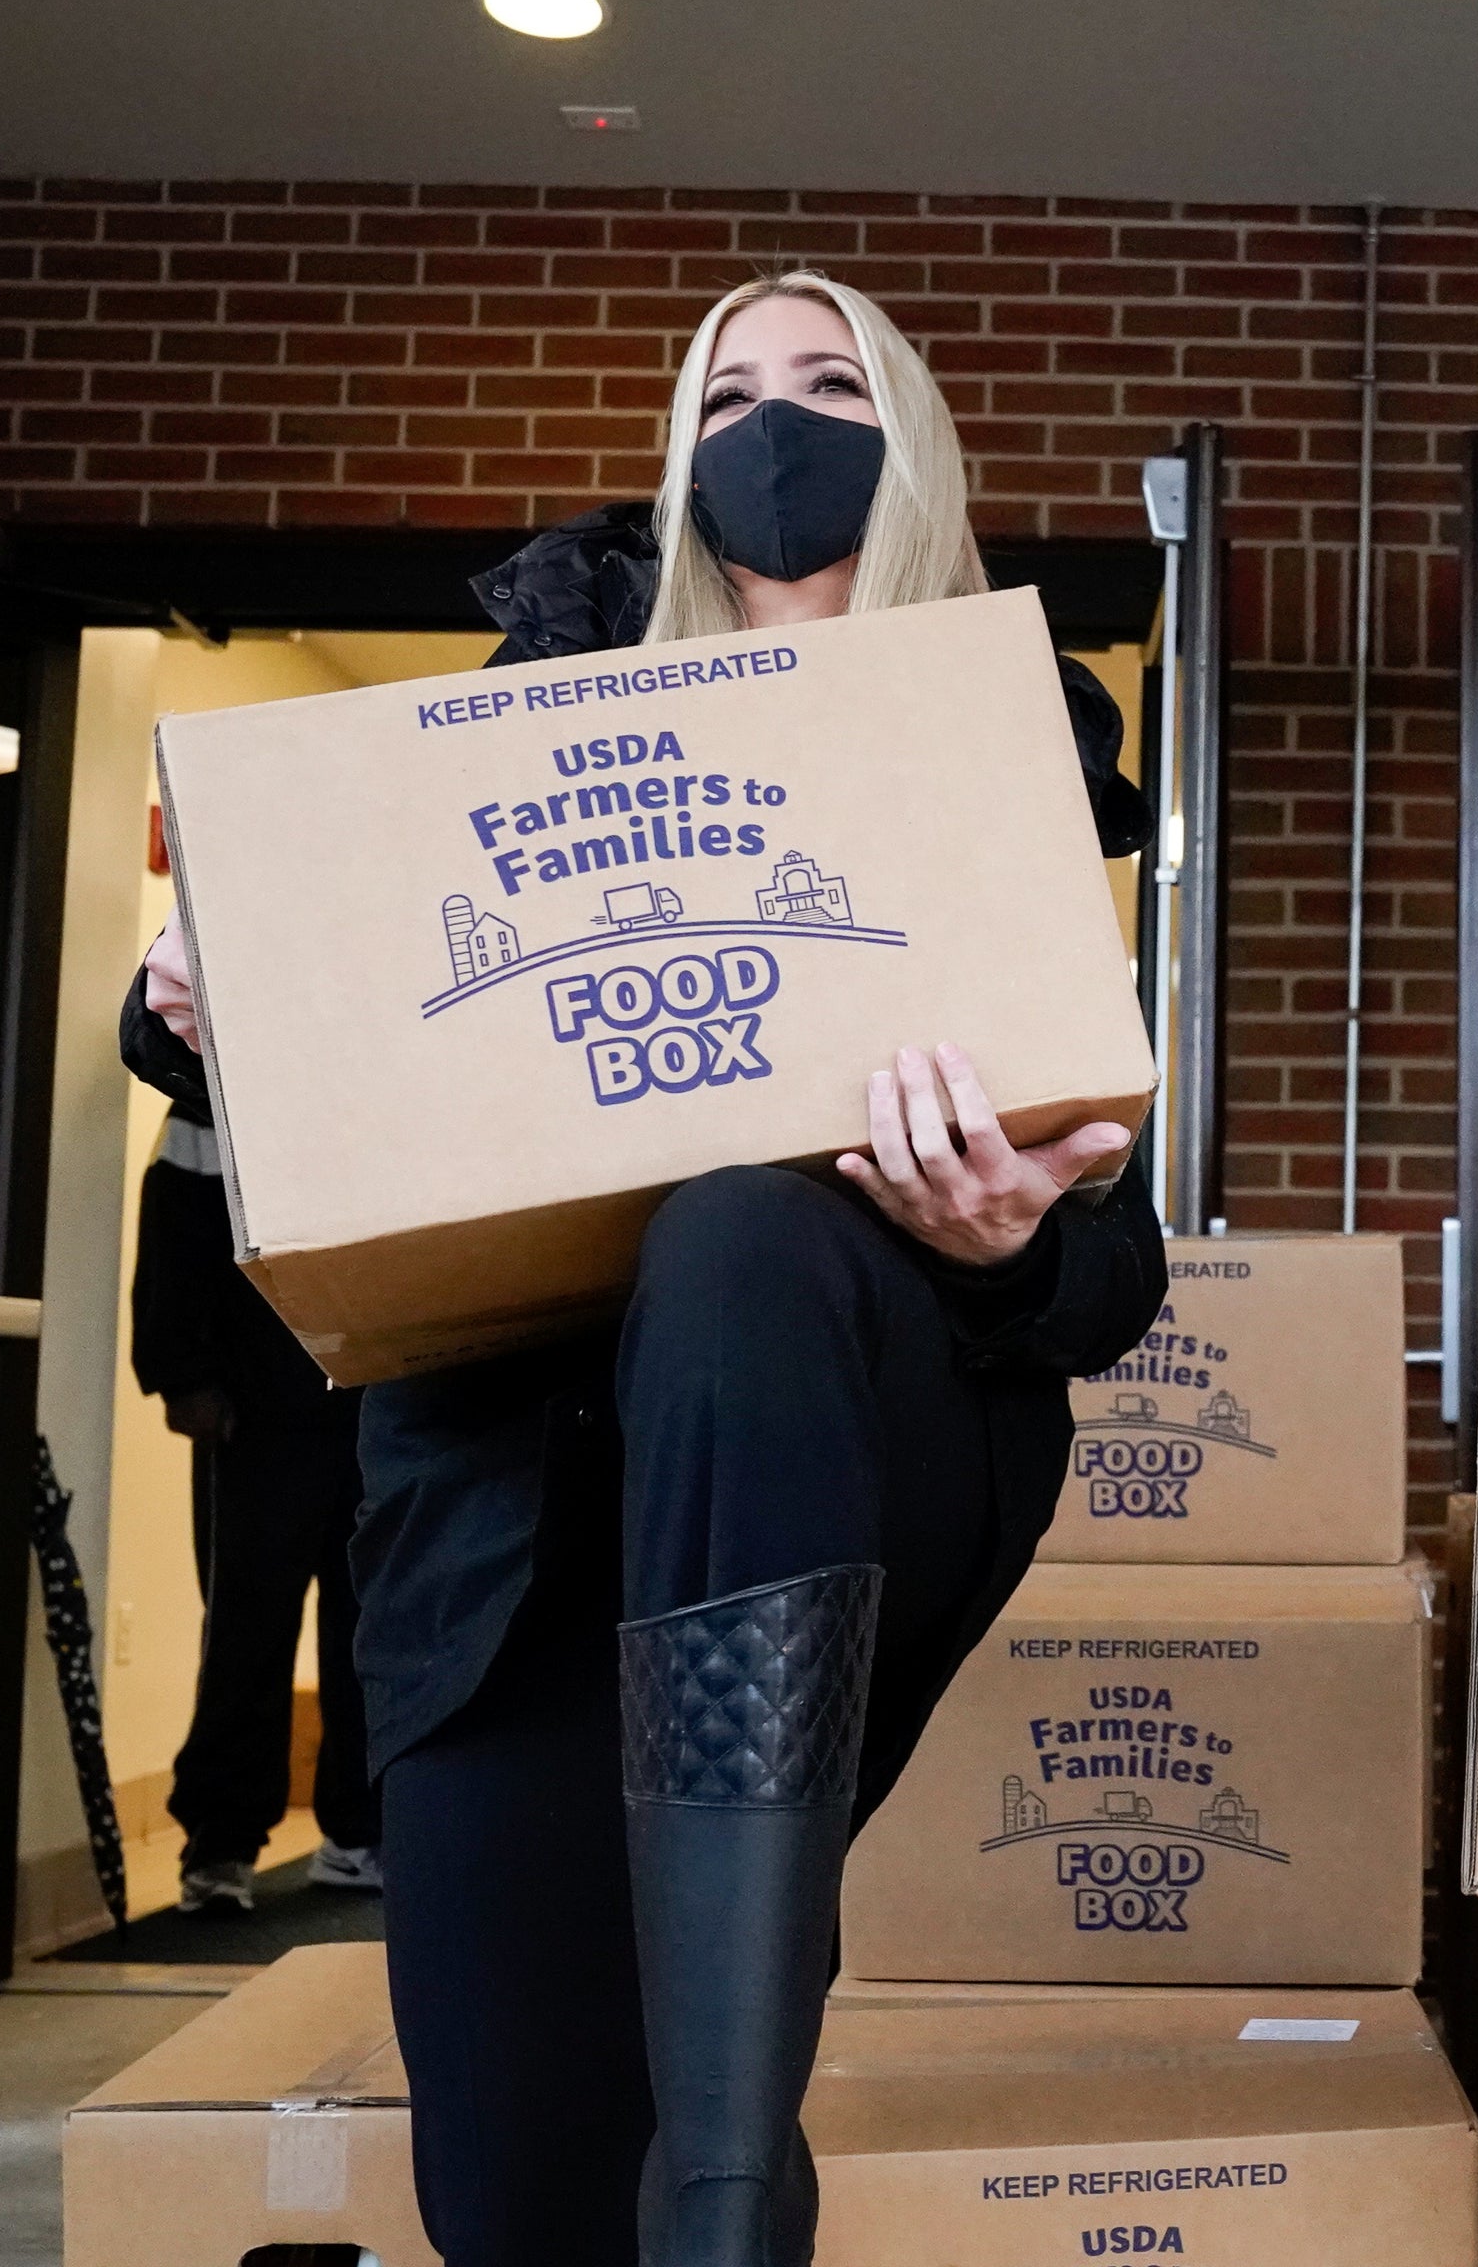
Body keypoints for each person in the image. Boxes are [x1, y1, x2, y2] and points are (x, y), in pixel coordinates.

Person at [122, 271, 1165, 2267]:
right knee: (513, 2186)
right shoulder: (521, 724)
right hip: (519, 1513)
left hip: (836, 1444)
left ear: (919, 441)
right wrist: (222, 995)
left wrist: (1009, 1246)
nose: (776, 432)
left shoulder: (998, 745)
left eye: (833, 386)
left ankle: (725, 2194)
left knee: (746, 1226)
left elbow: (1117, 1270)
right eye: (728, 397)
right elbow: (336, 1041)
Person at [129, 1089, 378, 1911]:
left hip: (375, 1391)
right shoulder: (214, 1088)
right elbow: (173, 1224)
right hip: (252, 1406)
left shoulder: (388, 1066)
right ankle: (220, 1845)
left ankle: (359, 1834)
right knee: (246, 1628)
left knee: (371, 1625)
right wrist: (183, 1374)